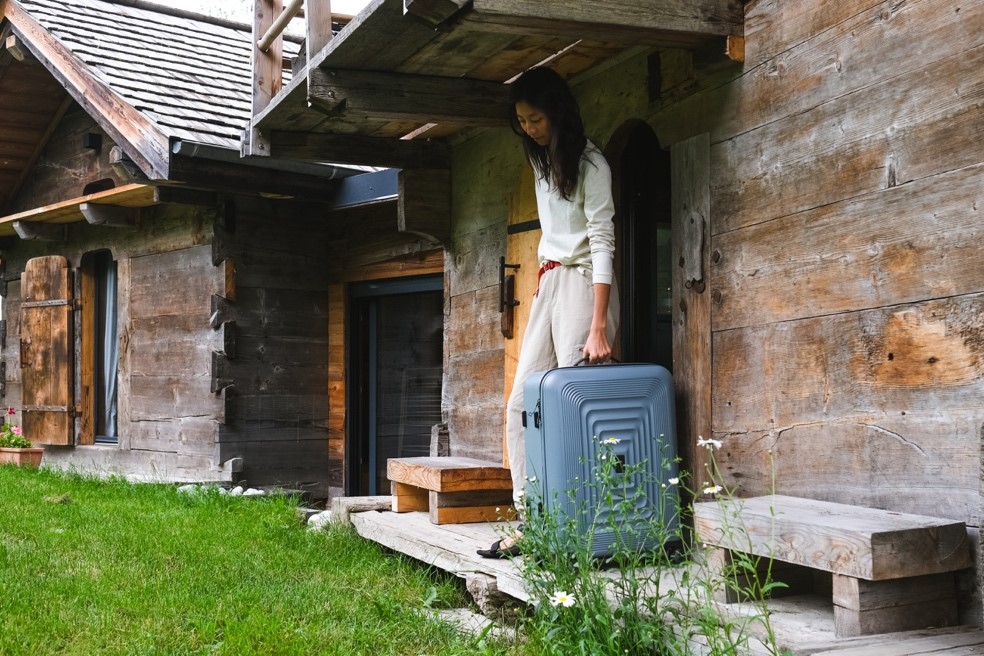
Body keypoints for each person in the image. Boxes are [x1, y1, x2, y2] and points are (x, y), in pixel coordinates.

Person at [478, 66, 619, 559]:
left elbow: (602, 243)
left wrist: (599, 326)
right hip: (549, 282)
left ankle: (585, 527)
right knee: (522, 404)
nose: (529, 128)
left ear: (556, 110)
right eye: (521, 121)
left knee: (574, 409)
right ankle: (532, 520)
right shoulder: (541, 163)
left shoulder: (592, 164)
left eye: (535, 118)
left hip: (584, 285)